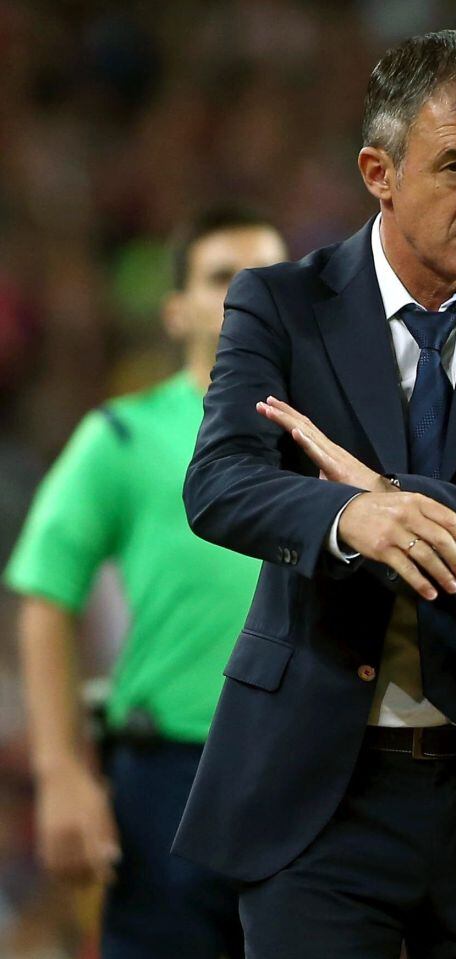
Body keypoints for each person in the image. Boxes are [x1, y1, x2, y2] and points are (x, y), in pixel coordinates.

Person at [173, 31, 456, 958]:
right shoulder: (279, 304)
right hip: (322, 797)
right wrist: (348, 518)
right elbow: (220, 483)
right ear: (379, 171)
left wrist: (391, 493)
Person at [3, 207, 287, 959]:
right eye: (224, 277)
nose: (251, 293)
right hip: (167, 782)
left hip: (308, 769)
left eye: (270, 276)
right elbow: (44, 593)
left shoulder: (337, 441)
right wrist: (60, 769)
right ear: (177, 310)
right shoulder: (121, 438)